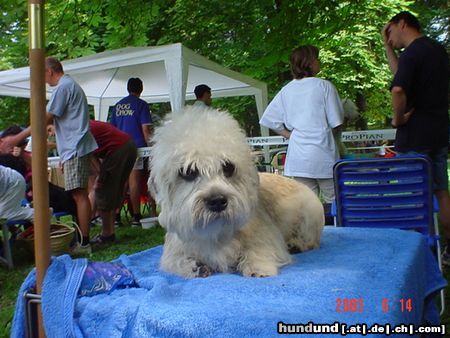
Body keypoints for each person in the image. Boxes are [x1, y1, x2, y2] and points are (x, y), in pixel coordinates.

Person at [382, 11, 450, 263]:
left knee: (411, 194)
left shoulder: (411, 53)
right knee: (441, 191)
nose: (389, 38)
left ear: (402, 23)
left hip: (414, 137)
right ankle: (448, 249)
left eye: (389, 32)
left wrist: (398, 119)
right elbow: (402, 75)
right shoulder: (437, 49)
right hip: (439, 131)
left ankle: (414, 254)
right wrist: (388, 49)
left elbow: (399, 88)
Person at [259, 45, 344, 204]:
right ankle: (335, 229)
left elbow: (269, 119)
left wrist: (291, 135)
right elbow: (337, 121)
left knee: (307, 206)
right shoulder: (325, 86)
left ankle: (312, 230)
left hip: (299, 158)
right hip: (324, 155)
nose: (319, 62)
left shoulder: (286, 90)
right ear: (310, 63)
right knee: (334, 202)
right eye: (316, 58)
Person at [45, 57, 98, 254]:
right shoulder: (70, 85)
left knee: (79, 195)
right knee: (80, 194)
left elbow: (46, 117)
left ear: (50, 71)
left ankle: (84, 242)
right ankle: (83, 240)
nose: (44, 80)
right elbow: (62, 121)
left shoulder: (63, 87)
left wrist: (19, 136)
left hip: (75, 148)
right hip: (74, 148)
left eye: (43, 75)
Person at [111, 77, 153, 226]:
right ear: (141, 89)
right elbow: (146, 128)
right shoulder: (141, 105)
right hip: (136, 147)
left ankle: (115, 217)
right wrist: (151, 147)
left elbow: (113, 129)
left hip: (118, 148)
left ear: (128, 88)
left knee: (121, 182)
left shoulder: (117, 106)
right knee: (133, 181)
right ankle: (136, 216)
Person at [88, 120, 137, 244]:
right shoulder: (84, 123)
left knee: (102, 189)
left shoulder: (77, 129)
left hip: (119, 149)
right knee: (112, 189)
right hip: (128, 146)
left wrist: (100, 176)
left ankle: (107, 234)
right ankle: (110, 230)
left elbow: (89, 155)